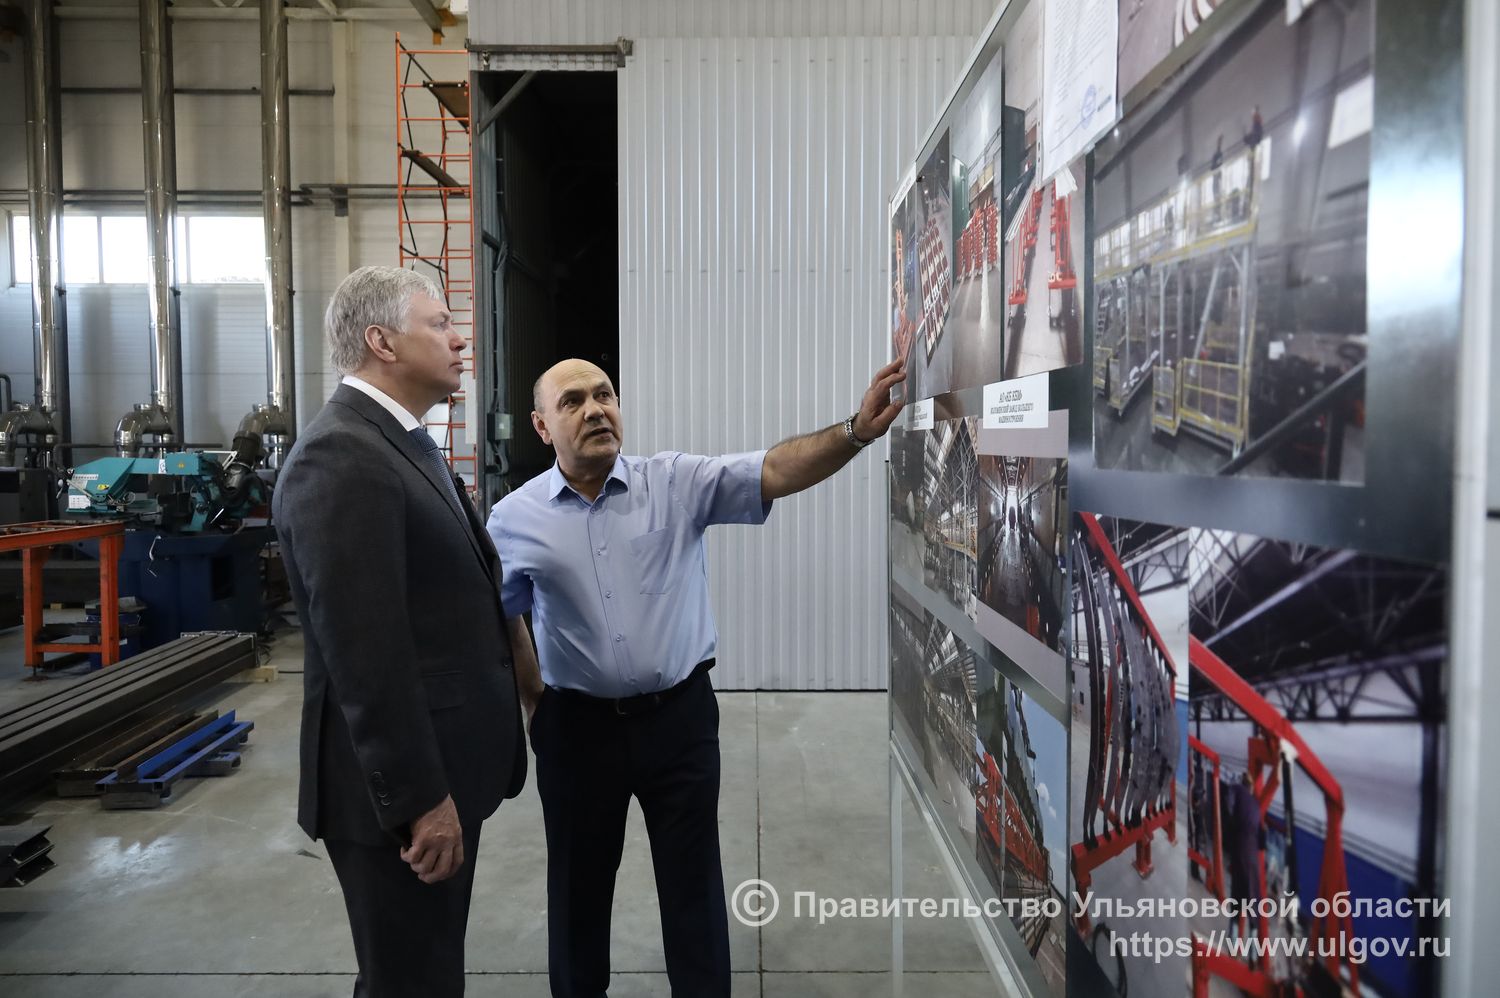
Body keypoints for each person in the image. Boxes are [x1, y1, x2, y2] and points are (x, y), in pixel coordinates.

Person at [488, 357, 906, 997]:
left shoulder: (672, 482)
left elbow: (773, 469)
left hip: (677, 724)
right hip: (576, 733)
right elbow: (505, 613)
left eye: (604, 395)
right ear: (542, 427)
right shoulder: (514, 519)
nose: (596, 409)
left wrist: (856, 430)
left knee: (693, 889)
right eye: (572, 402)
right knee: (577, 892)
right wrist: (534, 702)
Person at [273, 266, 528, 997]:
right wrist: (420, 800)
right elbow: (367, 656)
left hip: (442, 772)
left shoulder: (397, 442)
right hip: (398, 800)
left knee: (427, 972)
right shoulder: (342, 458)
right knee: (411, 982)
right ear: (382, 342)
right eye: (440, 324)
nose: (459, 340)